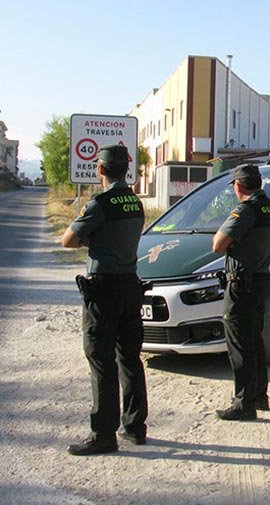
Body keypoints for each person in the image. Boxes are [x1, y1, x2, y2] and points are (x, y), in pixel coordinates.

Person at [61, 145, 148, 455]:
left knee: (101, 359)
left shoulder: (100, 204)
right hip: (130, 286)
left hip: (104, 289)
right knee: (130, 358)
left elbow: (68, 239)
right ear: (126, 169)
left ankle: (103, 434)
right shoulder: (135, 203)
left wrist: (91, 240)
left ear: (100, 170)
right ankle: (135, 427)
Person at [212, 164, 270, 420]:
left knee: (239, 344)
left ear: (238, 186)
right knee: (254, 341)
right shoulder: (269, 207)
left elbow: (218, 245)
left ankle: (243, 403)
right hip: (260, 280)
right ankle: (259, 396)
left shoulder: (246, 210)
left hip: (242, 283)